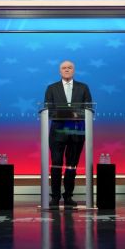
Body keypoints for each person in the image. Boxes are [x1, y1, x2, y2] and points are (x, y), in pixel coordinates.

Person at [44, 60, 92, 208]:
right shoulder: (51, 88)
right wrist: (68, 113)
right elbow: (48, 110)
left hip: (76, 132)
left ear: (74, 71)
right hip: (58, 132)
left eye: (69, 68)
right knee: (56, 165)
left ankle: (68, 196)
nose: (66, 70)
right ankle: (55, 197)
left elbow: (88, 108)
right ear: (59, 71)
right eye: (64, 68)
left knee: (72, 166)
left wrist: (73, 114)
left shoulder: (83, 87)